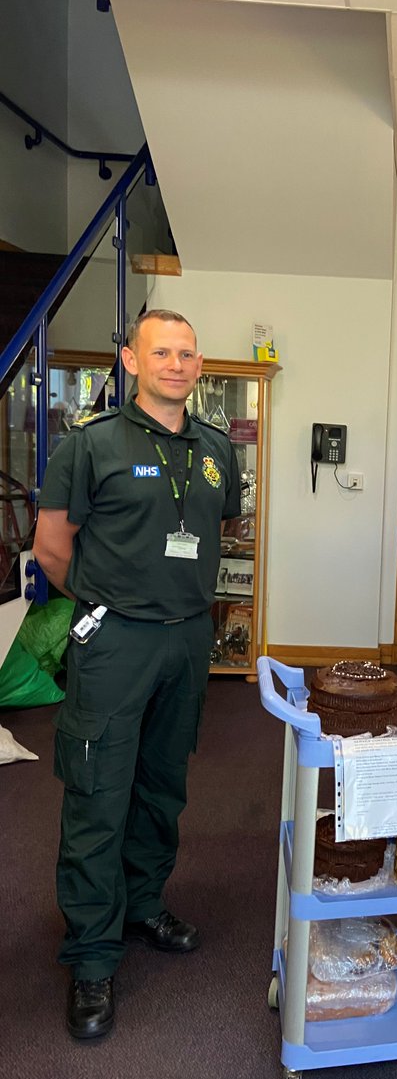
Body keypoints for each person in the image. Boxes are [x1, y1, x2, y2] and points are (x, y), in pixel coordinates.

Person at [33, 309, 241, 1041]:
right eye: (162, 352)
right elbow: (53, 547)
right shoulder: (91, 446)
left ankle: (144, 903)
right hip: (115, 641)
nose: (177, 364)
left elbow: (218, 529)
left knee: (161, 785)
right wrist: (105, 609)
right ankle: (92, 955)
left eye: (188, 353)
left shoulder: (218, 450)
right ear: (130, 359)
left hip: (187, 644)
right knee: (98, 793)